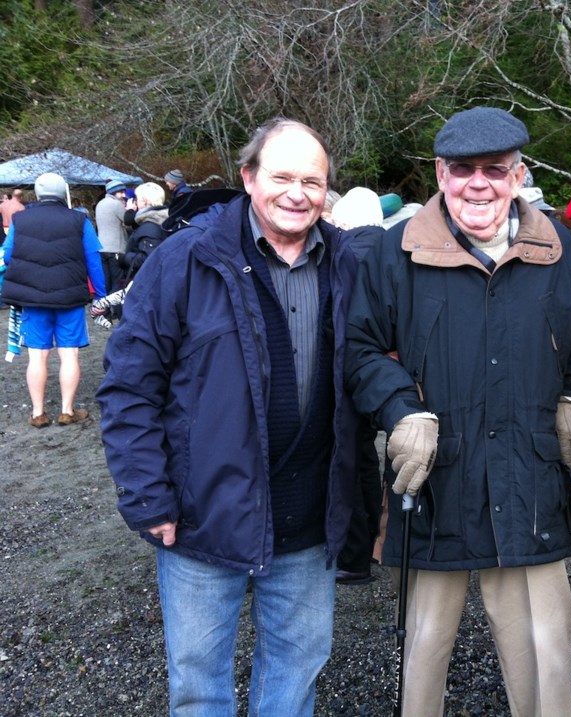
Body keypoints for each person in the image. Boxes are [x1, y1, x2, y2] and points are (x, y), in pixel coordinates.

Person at [346, 106, 571, 716]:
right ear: (441, 174)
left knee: (545, 653)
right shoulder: (397, 252)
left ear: (517, 176)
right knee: (423, 649)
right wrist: (399, 409)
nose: (478, 184)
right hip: (434, 479)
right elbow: (359, 347)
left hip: (529, 476)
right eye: (463, 169)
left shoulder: (557, 247)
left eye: (495, 170)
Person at [97, 118, 361, 717]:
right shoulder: (185, 260)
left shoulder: (348, 263)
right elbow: (128, 387)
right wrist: (148, 497)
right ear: (248, 178)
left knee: (294, 678)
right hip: (200, 517)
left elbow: (361, 387)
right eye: (282, 176)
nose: (298, 193)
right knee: (198, 687)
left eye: (313, 181)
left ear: (327, 192)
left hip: (308, 520)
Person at [0, 172, 106, 427]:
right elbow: (94, 259)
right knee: (69, 354)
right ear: (63, 194)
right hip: (70, 297)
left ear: (37, 193)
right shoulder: (80, 220)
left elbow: (8, 254)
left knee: (37, 356)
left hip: (32, 298)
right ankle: (67, 411)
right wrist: (101, 295)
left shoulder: (20, 219)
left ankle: (38, 413)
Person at [328, 186, 385, 585]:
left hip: (342, 372)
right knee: (367, 460)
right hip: (383, 372)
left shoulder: (338, 255)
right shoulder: (395, 250)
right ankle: (373, 546)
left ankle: (352, 555)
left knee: (344, 460)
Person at [94, 179, 129, 325]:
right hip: (116, 248)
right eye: (121, 192)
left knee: (106, 282)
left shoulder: (100, 204)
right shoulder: (116, 204)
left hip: (101, 247)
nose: (123, 195)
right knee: (117, 282)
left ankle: (105, 311)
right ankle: (117, 310)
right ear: (116, 192)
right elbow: (127, 220)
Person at [118, 181, 169, 283]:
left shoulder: (151, 225)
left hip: (147, 282)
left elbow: (149, 259)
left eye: (137, 199)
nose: (135, 202)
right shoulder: (159, 219)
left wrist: (124, 258)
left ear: (145, 201)